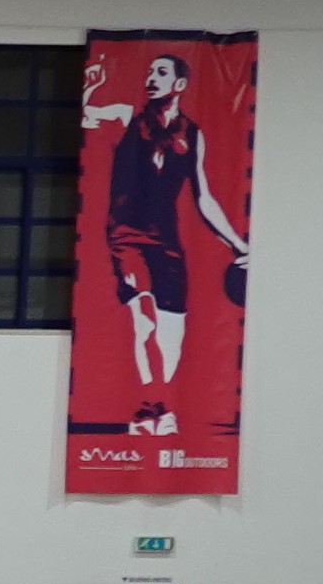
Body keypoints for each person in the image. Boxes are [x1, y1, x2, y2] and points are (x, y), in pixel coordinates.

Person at [82, 45, 250, 438]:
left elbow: (203, 198)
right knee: (145, 318)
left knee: (172, 333)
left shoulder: (193, 134)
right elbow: (88, 116)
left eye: (160, 73)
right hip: (127, 236)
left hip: (168, 242)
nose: (150, 78)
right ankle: (148, 409)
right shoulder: (127, 115)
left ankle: (163, 407)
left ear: (179, 84)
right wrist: (90, 89)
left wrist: (238, 244)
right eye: (149, 72)